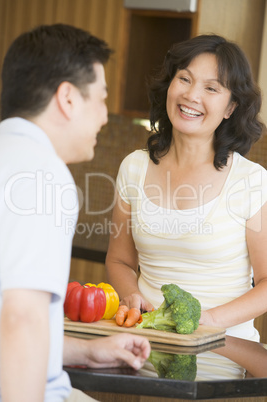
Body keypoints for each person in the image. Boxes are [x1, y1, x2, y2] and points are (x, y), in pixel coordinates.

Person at [0, 24, 150, 402]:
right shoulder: (43, 174)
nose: (104, 116)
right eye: (101, 99)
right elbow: (20, 320)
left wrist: (85, 352)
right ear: (67, 98)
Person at [106, 34, 267, 342]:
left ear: (231, 107)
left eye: (211, 88)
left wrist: (207, 321)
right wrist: (131, 296)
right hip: (145, 340)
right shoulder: (134, 168)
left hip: (223, 346)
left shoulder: (251, 181)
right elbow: (120, 261)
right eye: (184, 79)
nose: (192, 95)